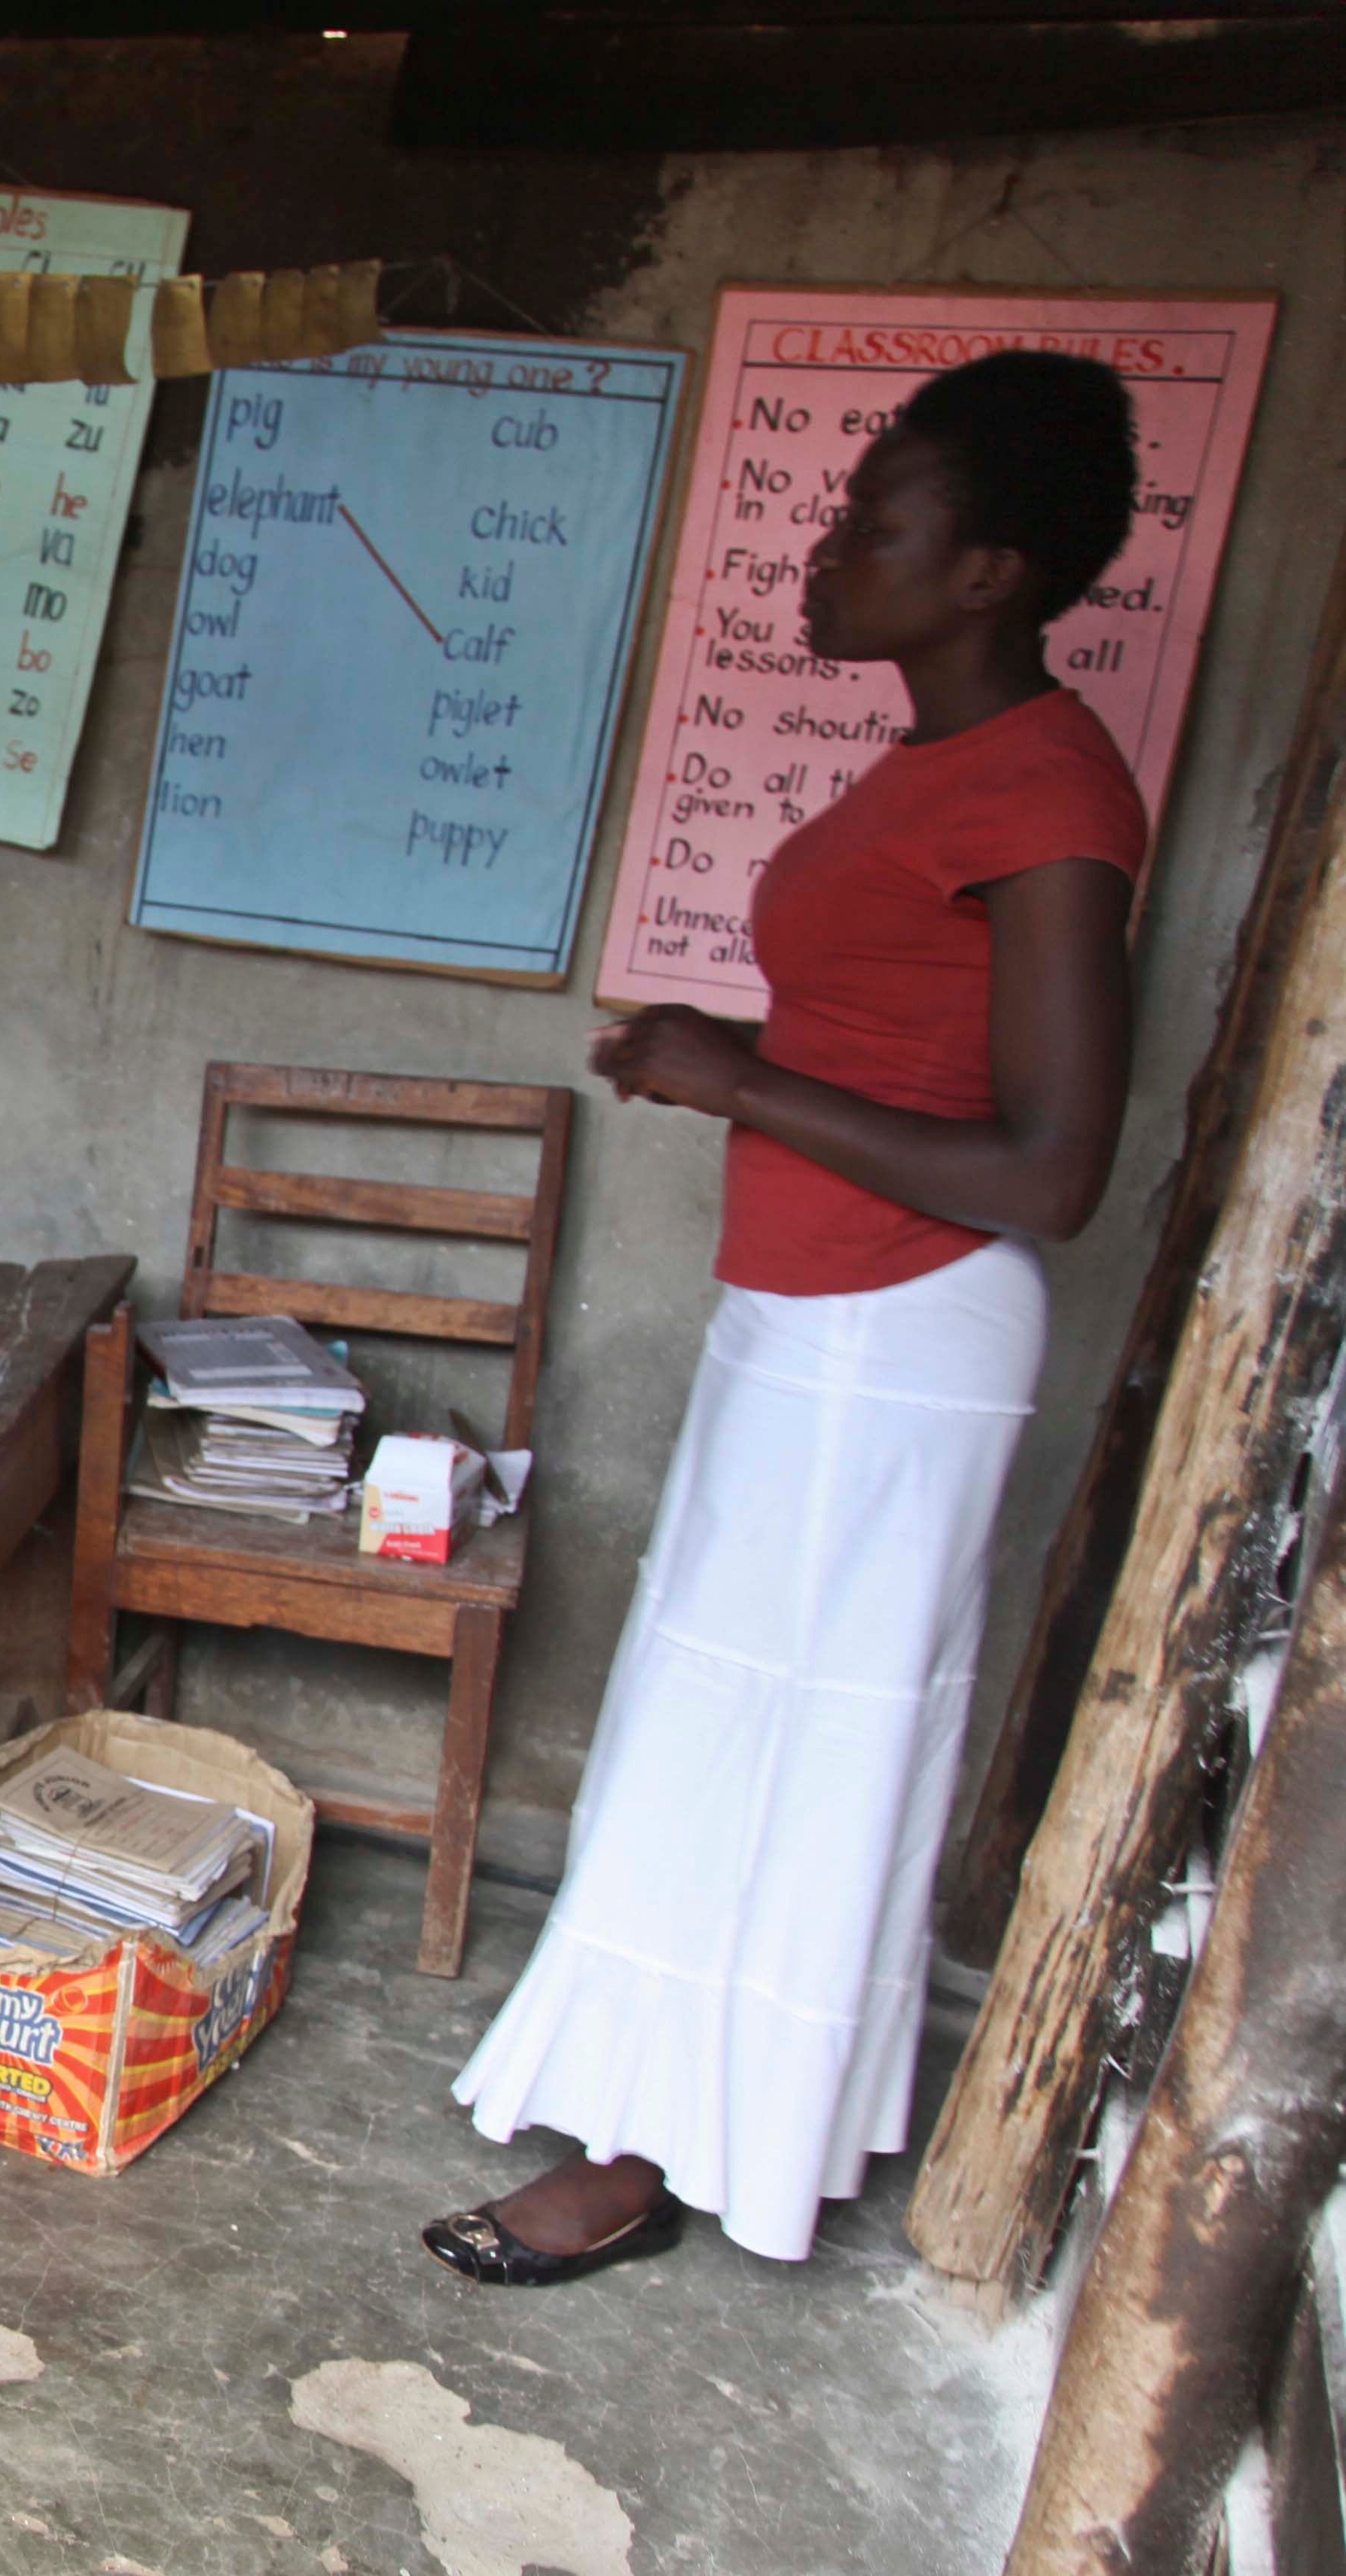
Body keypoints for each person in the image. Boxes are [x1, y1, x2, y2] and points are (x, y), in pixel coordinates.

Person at [433, 350, 1152, 2286]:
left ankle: (648, 2154)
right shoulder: (938, 766)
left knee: (769, 1749)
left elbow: (1048, 1173)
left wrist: (733, 1082)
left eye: (878, 525)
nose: (828, 553)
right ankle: (700, 2113)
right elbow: (905, 1055)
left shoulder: (1049, 797)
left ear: (990, 568)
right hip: (817, 1318)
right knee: (718, 1724)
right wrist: (740, 1058)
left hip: (898, 1333)